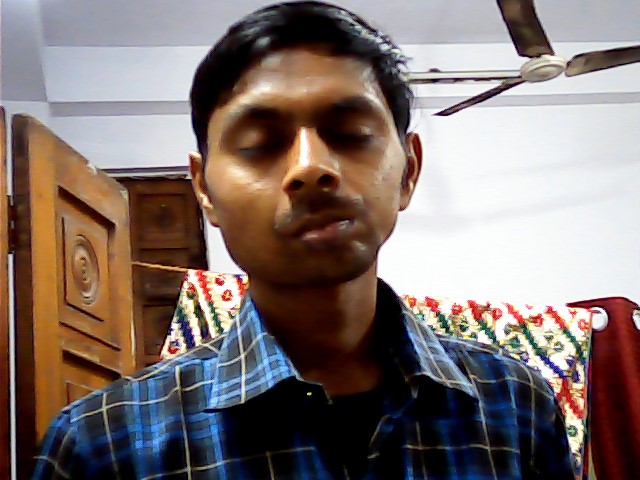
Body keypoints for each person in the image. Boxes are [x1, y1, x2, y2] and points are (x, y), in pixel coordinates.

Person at [32, 2, 574, 478]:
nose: (311, 167)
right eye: (259, 143)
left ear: (409, 170)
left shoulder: (516, 406)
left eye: (351, 134)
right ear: (204, 190)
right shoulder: (103, 445)